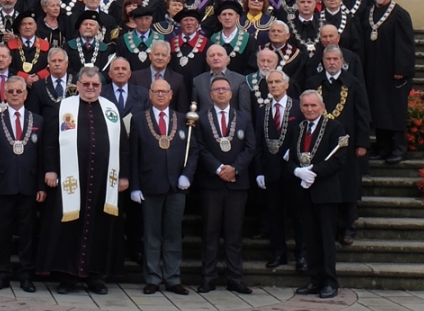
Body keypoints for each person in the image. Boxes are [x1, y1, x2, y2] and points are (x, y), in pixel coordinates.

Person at [36, 67, 129, 294]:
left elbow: (123, 146)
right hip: (71, 179)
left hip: (102, 181)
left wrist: (124, 175)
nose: (90, 89)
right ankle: (68, 276)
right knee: (69, 228)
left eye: (95, 85)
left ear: (100, 86)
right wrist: (50, 171)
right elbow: (48, 143)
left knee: (100, 227)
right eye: (86, 85)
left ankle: (95, 277)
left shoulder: (111, 110)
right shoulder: (63, 109)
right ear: (77, 85)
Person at [129, 78, 198, 295]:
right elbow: (133, 156)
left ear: (171, 95)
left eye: (164, 92)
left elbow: (193, 150)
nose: (160, 95)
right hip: (150, 185)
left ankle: (173, 278)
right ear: (150, 95)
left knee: (173, 234)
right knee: (151, 234)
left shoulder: (183, 119)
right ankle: (152, 278)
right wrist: (135, 186)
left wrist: (187, 175)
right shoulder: (139, 120)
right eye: (156, 92)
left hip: (177, 186)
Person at [0, 76, 44, 293]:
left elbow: (42, 156)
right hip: (3, 185)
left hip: (29, 186)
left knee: (27, 233)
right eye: (11, 92)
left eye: (19, 91)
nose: (15, 95)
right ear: (4, 95)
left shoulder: (37, 120)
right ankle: (2, 274)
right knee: (4, 233)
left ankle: (26, 275)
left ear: (26, 95)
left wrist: (41, 187)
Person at [194, 76, 255, 294]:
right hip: (211, 183)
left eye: (225, 89)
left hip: (237, 184)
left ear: (231, 93)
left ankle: (235, 278)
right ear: (210, 95)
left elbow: (250, 148)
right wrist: (219, 169)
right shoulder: (201, 118)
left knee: (234, 233)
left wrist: (234, 169)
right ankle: (208, 278)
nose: (221, 92)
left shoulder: (244, 117)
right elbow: (199, 147)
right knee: (210, 232)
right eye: (217, 89)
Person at [306, 46, 371, 246]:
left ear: (342, 61)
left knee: (348, 186)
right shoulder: (314, 83)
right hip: (321, 145)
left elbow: (363, 115)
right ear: (323, 61)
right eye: (328, 59)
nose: (332, 63)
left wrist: (362, 143)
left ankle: (348, 227)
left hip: (348, 145)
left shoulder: (353, 84)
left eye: (335, 59)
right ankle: (330, 227)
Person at [290, 90, 347, 299]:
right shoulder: (298, 129)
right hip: (304, 191)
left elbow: (338, 160)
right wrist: (297, 171)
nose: (309, 109)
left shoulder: (335, 128)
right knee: (310, 239)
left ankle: (330, 282)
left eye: (313, 106)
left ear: (322, 107)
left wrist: (314, 172)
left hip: (325, 192)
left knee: (326, 239)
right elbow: (290, 157)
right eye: (305, 106)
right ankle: (314, 280)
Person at [253, 70, 305, 272]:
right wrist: (259, 171)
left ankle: (302, 254)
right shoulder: (263, 111)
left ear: (286, 85)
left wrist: (293, 154)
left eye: (277, 82)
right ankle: (279, 253)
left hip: (292, 172)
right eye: (270, 82)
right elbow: (258, 143)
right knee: (274, 215)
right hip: (271, 171)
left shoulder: (297, 108)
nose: (273, 85)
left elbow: (302, 136)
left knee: (297, 216)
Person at [363, 0, 415, 164]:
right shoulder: (369, 12)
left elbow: (405, 44)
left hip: (394, 74)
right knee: (378, 111)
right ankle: (383, 147)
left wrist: (401, 69)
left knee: (395, 111)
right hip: (374, 72)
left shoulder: (400, 14)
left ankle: (399, 148)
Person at [191, 44, 252, 113]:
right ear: (207, 60)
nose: (216, 58)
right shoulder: (198, 81)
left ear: (227, 59)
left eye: (219, 55)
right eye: (212, 55)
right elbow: (194, 111)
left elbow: (245, 113)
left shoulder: (240, 80)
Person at [210, 0, 258, 75]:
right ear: (219, 18)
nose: (227, 17)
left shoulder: (249, 40)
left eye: (230, 14)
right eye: (224, 14)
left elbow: (252, 67)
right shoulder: (212, 40)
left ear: (237, 17)